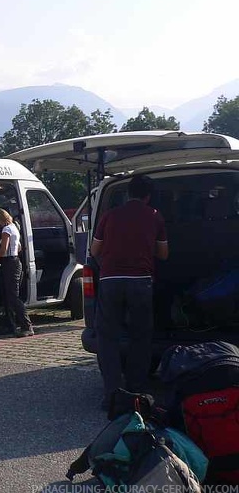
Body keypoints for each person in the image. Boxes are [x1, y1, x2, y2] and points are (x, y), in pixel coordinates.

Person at [91, 174, 168, 411]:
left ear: (127, 193)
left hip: (110, 280)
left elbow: (95, 250)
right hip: (140, 281)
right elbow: (164, 254)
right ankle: (136, 389)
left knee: (107, 338)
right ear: (148, 196)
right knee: (140, 337)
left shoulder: (110, 215)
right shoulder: (155, 217)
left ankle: (113, 393)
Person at [0, 209, 33, 337]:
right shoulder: (14, 227)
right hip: (15, 261)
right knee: (10, 295)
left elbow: (3, 249)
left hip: (9, 262)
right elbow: (19, 247)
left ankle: (27, 325)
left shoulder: (6, 230)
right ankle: (12, 324)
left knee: (13, 296)